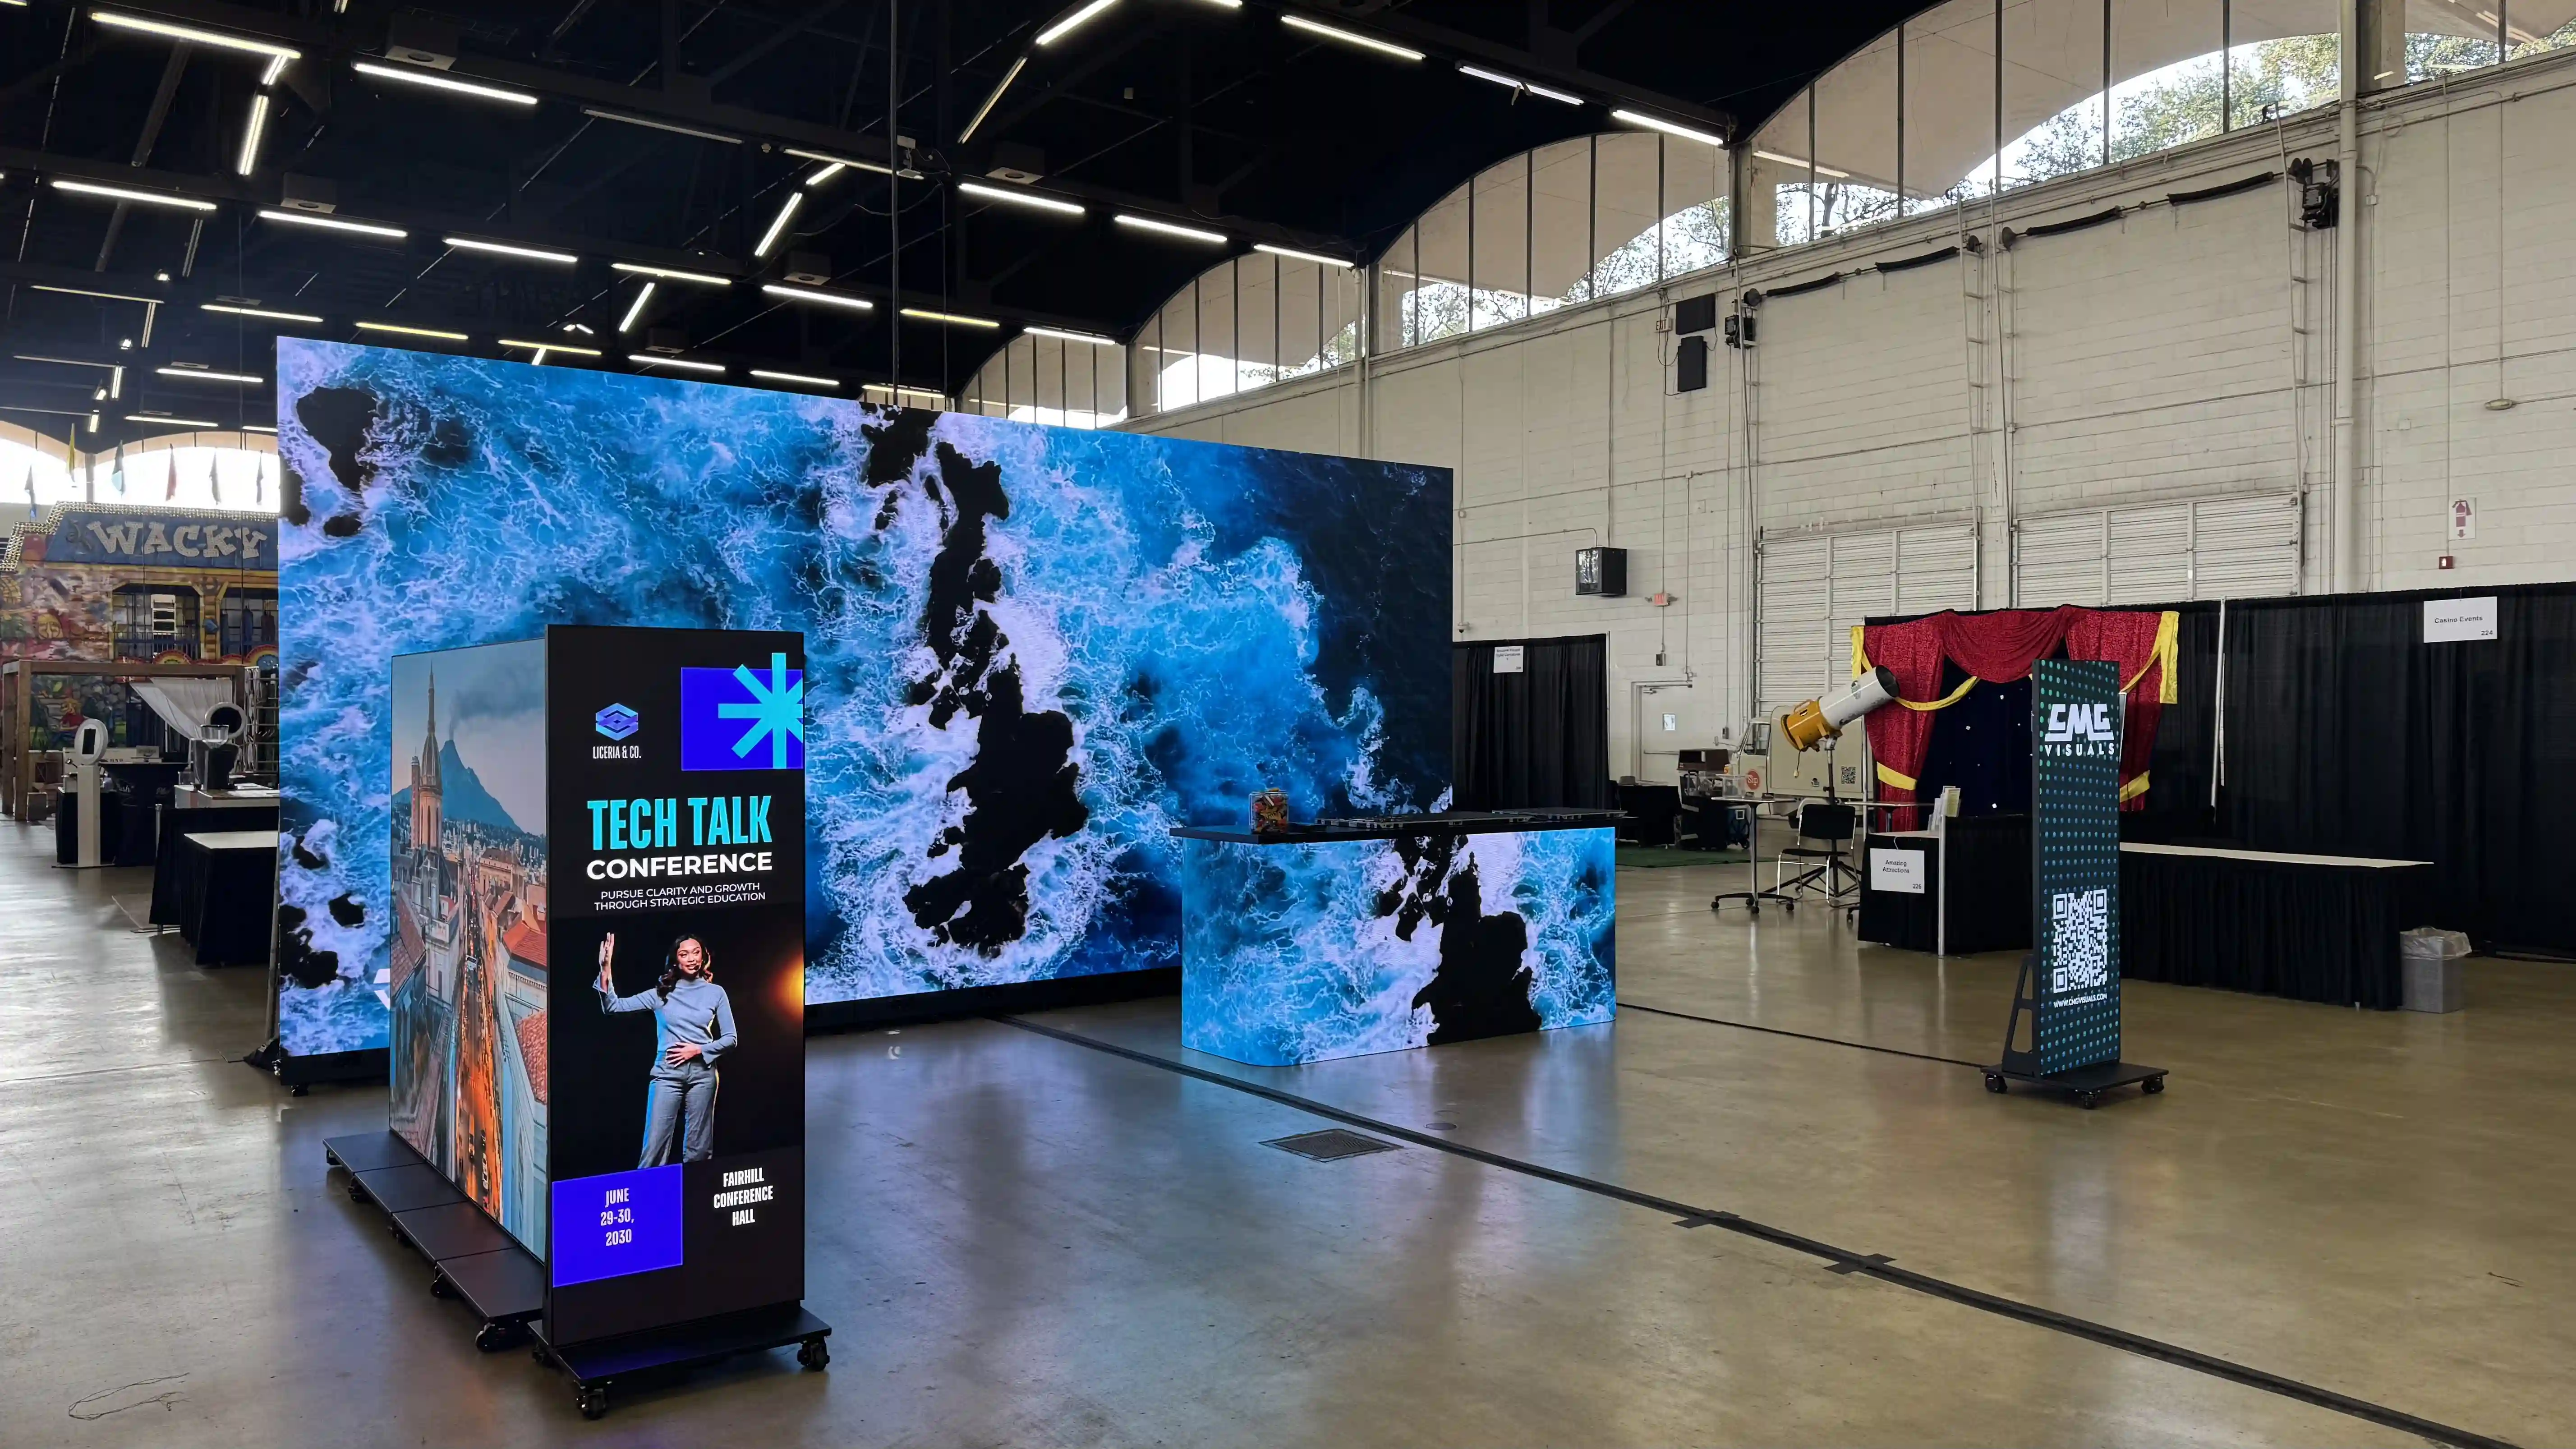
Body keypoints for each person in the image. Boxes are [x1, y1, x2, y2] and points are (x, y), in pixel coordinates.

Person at [596, 932, 737, 1167]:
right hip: (667, 1074)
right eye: (685, 954)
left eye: (696, 953)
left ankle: (694, 1199)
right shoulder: (661, 994)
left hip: (703, 1076)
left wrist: (698, 1050)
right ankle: (649, 1201)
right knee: (654, 1150)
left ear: (703, 958)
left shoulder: (716, 993)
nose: (692, 958)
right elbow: (613, 1006)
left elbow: (731, 1039)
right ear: (676, 961)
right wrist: (605, 967)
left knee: (699, 1152)